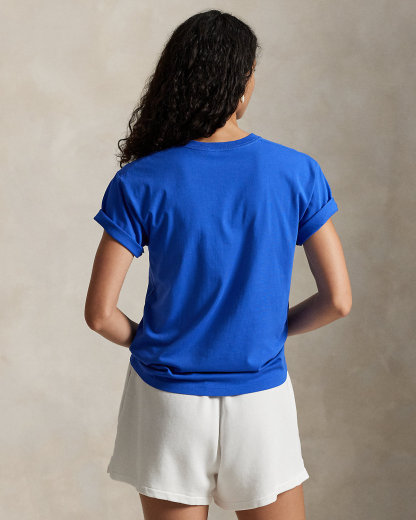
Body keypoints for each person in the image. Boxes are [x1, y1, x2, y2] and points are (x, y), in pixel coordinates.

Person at [85, 9, 352, 520]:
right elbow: (338, 300)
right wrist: (269, 330)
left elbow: (99, 314)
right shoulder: (297, 172)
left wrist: (152, 344)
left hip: (167, 403)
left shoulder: (140, 181)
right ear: (243, 81)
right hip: (261, 402)